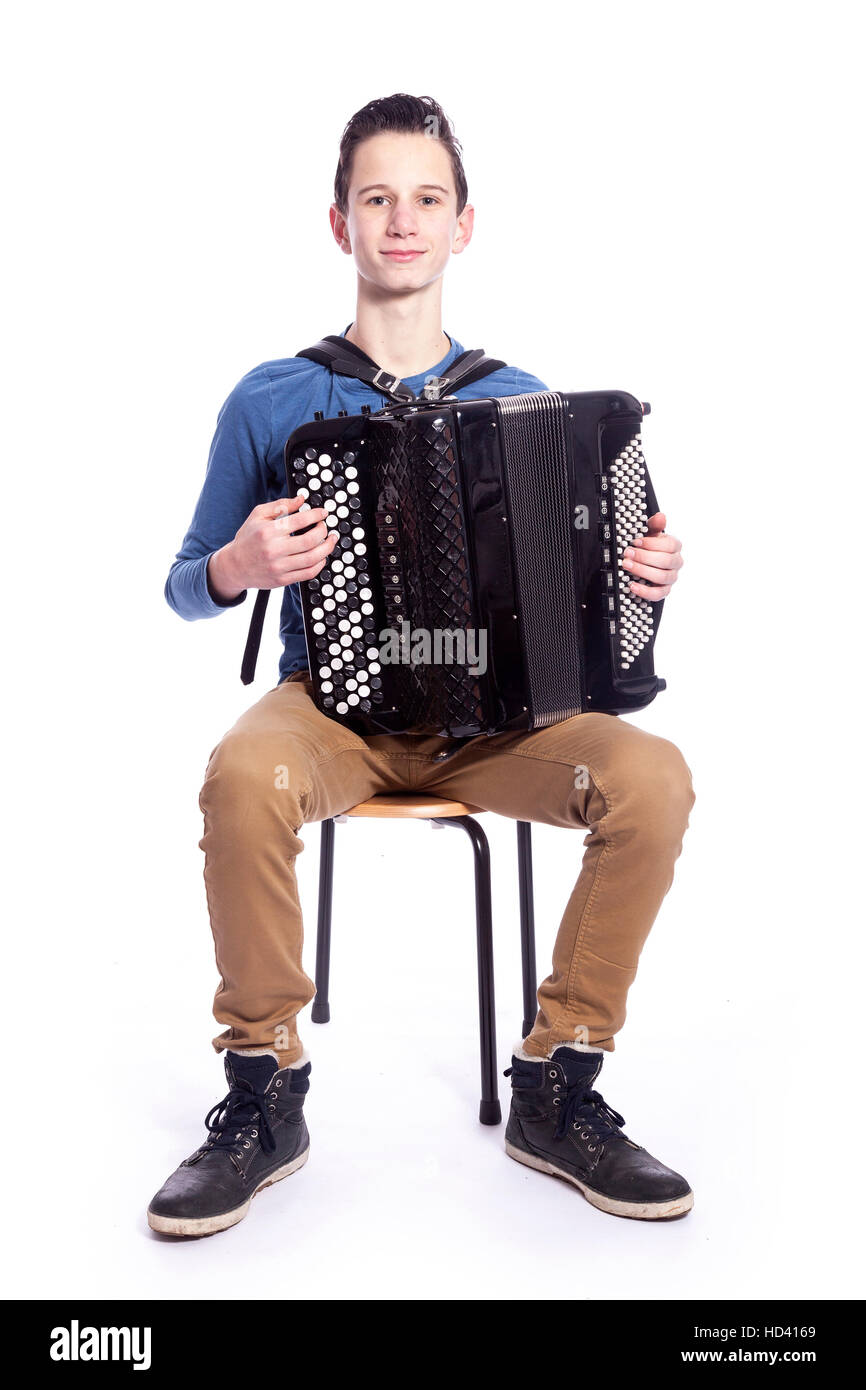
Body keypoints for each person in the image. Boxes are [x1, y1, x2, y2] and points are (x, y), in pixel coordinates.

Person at [148, 93, 695, 1238]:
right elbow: (185, 579)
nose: (402, 221)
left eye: (426, 199)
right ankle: (263, 1089)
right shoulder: (273, 396)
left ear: (464, 225)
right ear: (338, 222)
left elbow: (593, 591)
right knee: (241, 773)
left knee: (652, 775)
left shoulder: (521, 400)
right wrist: (244, 563)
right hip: (333, 712)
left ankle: (558, 1081)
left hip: (493, 728)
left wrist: (639, 578)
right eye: (377, 198)